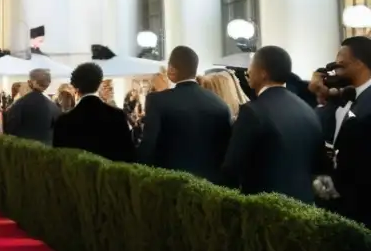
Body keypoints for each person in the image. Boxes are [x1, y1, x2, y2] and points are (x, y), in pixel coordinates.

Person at [222, 45, 324, 203]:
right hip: (305, 206)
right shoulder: (307, 109)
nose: (247, 72)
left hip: (268, 209)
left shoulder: (252, 112)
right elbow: (318, 162)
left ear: (263, 73)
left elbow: (233, 166)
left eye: (251, 66)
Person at [137, 45, 233, 183]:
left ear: (171, 69)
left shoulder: (158, 101)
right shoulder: (220, 103)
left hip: (172, 185)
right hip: (211, 188)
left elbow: (148, 148)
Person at [327, 36, 371, 224]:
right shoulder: (354, 97)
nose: (335, 70)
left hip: (362, 203)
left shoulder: (367, 105)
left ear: (359, 64)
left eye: (341, 65)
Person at [53, 62, 134, 162]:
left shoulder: (64, 120)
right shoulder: (117, 115)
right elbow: (127, 154)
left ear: (75, 87)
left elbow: (58, 158)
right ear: (99, 83)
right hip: (109, 174)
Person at [4, 68, 61, 144]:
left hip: (24, 147)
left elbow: (10, 127)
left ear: (32, 82)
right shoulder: (53, 106)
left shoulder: (20, 103)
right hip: (46, 148)